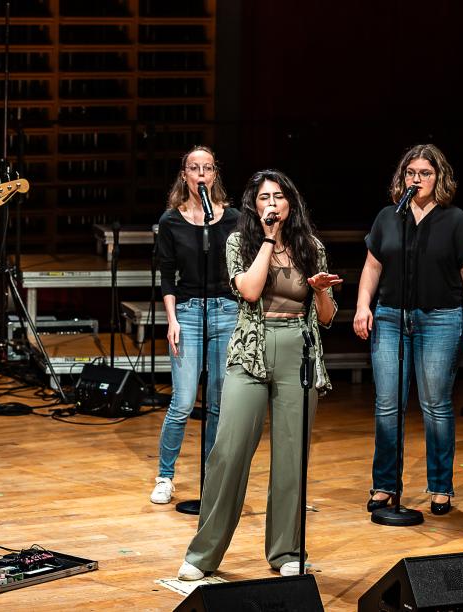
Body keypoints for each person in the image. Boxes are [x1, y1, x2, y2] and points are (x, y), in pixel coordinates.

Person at [178, 169, 341, 580]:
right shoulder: (240, 241)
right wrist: (268, 241)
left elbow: (326, 318)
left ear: (291, 204)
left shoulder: (311, 247)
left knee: (292, 458)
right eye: (265, 197)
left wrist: (320, 289)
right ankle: (202, 555)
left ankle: (286, 551)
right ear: (254, 205)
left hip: (297, 352)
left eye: (280, 197)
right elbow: (250, 290)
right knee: (228, 453)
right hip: (252, 350)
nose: (273, 203)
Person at [353, 144, 463, 516]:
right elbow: (372, 267)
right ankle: (385, 485)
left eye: (425, 173)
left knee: (435, 405)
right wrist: (363, 305)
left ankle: (441, 486)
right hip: (391, 318)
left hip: (440, 318)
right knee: (387, 406)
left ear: (438, 177)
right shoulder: (388, 217)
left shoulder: (456, 220)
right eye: (411, 173)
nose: (417, 179)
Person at [150, 146, 240, 505]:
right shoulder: (171, 221)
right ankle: (165, 475)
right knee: (183, 401)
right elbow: (167, 275)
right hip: (186, 311)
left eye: (207, 168)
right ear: (184, 175)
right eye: (193, 168)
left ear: (214, 174)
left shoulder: (232, 218)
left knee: (218, 402)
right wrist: (171, 320)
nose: (200, 173)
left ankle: (212, 477)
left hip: (225, 311)